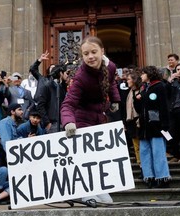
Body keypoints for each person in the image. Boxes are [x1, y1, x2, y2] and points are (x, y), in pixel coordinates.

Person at [60, 36, 120, 203]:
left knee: (99, 158)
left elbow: (112, 82)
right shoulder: (80, 77)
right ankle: (87, 193)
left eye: (94, 52)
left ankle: (99, 189)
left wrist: (115, 100)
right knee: (86, 158)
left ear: (102, 51)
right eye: (86, 54)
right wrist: (68, 122)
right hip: (82, 119)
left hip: (100, 117)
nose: (90, 57)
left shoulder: (111, 67)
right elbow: (68, 104)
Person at [133, 66, 171, 188]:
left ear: (149, 74)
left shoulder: (159, 86)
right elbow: (139, 109)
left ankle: (162, 177)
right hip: (144, 127)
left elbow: (164, 106)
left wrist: (165, 124)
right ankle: (149, 176)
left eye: (143, 73)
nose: (141, 76)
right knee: (145, 152)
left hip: (156, 125)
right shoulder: (144, 88)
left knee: (158, 152)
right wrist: (137, 100)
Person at [37, 64, 69, 133]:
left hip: (63, 122)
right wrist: (47, 123)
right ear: (61, 73)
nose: (67, 75)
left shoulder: (62, 87)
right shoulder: (47, 86)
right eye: (66, 73)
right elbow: (40, 105)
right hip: (53, 124)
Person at [125, 69, 142, 168]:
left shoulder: (141, 91)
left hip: (139, 119)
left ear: (134, 80)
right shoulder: (130, 92)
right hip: (131, 120)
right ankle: (140, 163)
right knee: (135, 145)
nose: (127, 81)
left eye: (128, 79)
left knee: (141, 145)